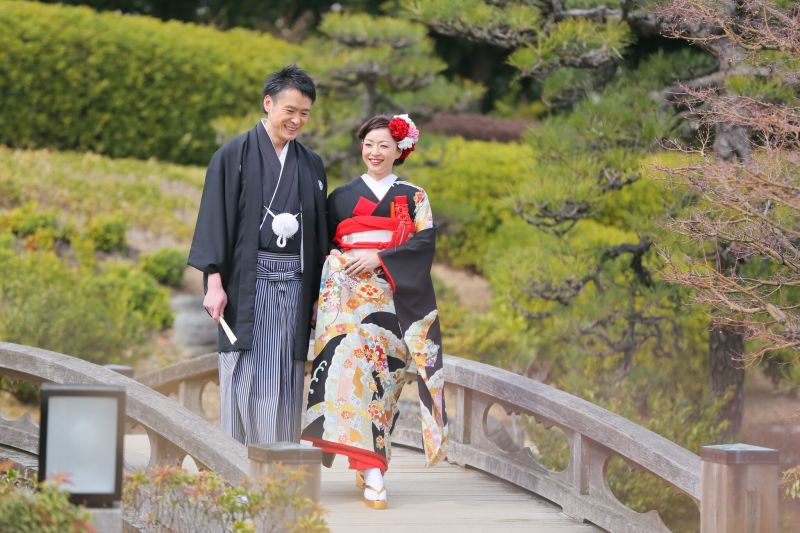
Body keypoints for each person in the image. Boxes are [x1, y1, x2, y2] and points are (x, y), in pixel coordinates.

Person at [302, 114, 448, 509]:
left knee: (384, 382)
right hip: (347, 301)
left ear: (400, 150)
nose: (375, 152)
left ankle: (366, 459)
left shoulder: (414, 196)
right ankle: (373, 471)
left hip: (392, 300)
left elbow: (423, 247)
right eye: (369, 144)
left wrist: (379, 257)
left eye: (384, 145)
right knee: (350, 374)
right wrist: (338, 265)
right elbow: (324, 247)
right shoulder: (341, 197)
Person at [188, 65, 328, 446]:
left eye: (304, 114)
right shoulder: (232, 155)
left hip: (296, 285)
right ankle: (242, 461)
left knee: (287, 372)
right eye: (290, 110)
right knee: (246, 371)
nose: (297, 120)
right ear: (268, 104)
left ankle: (281, 463)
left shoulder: (311, 164)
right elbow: (214, 220)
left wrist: (318, 295)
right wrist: (213, 282)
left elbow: (318, 237)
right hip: (248, 284)